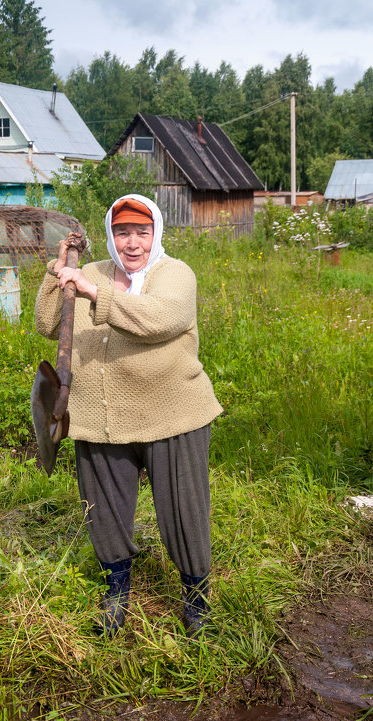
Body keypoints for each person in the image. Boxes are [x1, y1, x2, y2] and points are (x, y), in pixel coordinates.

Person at [35, 194, 222, 636]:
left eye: (142, 232)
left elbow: (160, 318)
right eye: (122, 233)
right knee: (104, 511)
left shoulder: (175, 275)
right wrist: (57, 272)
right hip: (100, 418)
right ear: (110, 234)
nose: (132, 243)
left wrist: (90, 292)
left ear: (156, 233)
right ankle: (115, 591)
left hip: (171, 413)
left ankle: (195, 599)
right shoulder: (93, 270)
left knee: (183, 511)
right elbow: (46, 323)